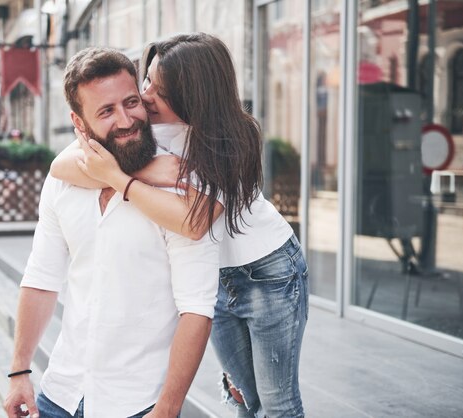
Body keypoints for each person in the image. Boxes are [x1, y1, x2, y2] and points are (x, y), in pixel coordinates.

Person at [50, 33, 309, 418]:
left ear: (194, 94)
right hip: (214, 276)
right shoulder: (148, 125)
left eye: (161, 89)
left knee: (276, 404)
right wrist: (146, 169)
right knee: (243, 394)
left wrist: (120, 178)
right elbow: (63, 166)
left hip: (267, 272)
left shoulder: (232, 139)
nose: (147, 94)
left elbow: (193, 222)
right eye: (148, 79)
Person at [4, 47, 220, 418]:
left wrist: (167, 409)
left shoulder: (182, 184)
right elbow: (41, 278)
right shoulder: (64, 181)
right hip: (60, 393)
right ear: (79, 122)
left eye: (131, 102)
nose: (126, 119)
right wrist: (20, 370)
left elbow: (196, 310)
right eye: (106, 111)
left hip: (138, 403)